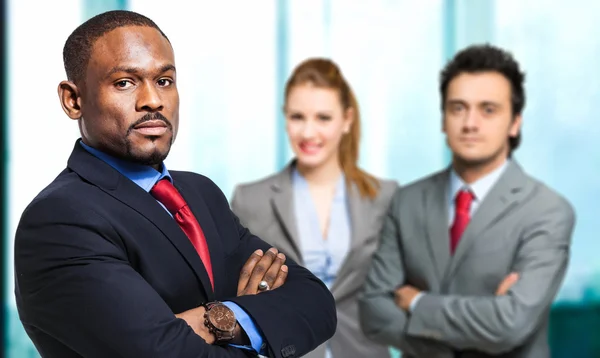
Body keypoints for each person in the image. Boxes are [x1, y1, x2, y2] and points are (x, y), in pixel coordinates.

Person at [14, 10, 336, 358]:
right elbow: (161, 353)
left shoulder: (201, 194)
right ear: (73, 100)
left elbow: (316, 302)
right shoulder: (60, 219)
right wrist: (254, 316)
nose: (153, 100)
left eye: (164, 80)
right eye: (125, 82)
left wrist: (217, 319)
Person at [359, 44, 575, 358]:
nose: (470, 123)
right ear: (443, 119)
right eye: (458, 108)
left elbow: (511, 323)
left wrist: (417, 304)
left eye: (488, 110)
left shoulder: (547, 211)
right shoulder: (406, 202)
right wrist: (483, 321)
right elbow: (373, 313)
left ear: (515, 122)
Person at [231, 58, 398, 358]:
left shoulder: (385, 197)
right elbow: (235, 293)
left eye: (323, 118)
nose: (308, 132)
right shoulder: (249, 199)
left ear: (347, 120)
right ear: (285, 118)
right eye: (297, 117)